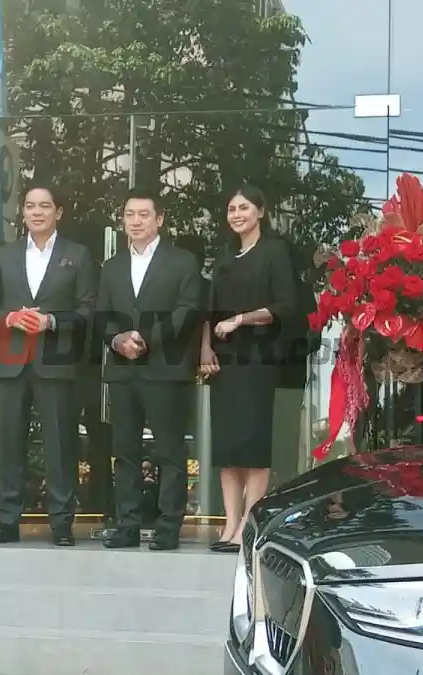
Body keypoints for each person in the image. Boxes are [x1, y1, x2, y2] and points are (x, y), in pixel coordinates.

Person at [0, 183, 96, 546]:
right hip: (12, 359)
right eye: (30, 205)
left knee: (59, 443)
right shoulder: (5, 255)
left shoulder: (77, 255)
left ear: (58, 212)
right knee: (8, 442)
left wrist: (51, 321)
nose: (36, 212)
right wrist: (10, 318)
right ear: (23, 212)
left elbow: (88, 309)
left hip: (55, 360)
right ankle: (6, 520)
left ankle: (61, 523)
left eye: (44, 206)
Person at [96, 188, 202, 551]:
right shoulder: (111, 267)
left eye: (144, 214)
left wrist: (147, 338)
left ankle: (168, 527)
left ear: (159, 219)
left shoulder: (182, 262)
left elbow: (187, 310)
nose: (136, 221)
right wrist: (117, 340)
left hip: (165, 368)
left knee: (169, 451)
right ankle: (127, 525)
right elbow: (101, 315)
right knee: (124, 451)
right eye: (130, 214)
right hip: (123, 369)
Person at [199, 185, 296, 553]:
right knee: (228, 447)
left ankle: (246, 527)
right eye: (232, 209)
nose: (237, 214)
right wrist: (205, 348)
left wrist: (240, 319)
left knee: (253, 445)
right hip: (224, 360)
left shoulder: (274, 253)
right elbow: (209, 310)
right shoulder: (225, 257)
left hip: (258, 358)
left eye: (244, 207)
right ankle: (229, 524)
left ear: (261, 211)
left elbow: (285, 305)